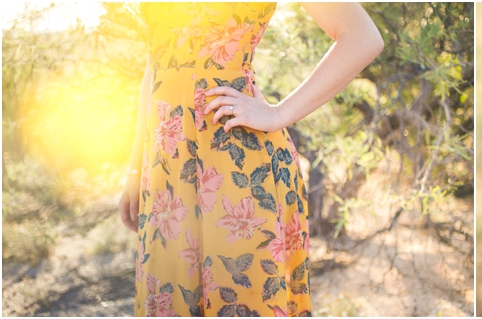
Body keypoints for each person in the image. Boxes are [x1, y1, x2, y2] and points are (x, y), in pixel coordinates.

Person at [117, 3, 383, 316]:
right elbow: (157, 64)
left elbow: (362, 37)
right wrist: (136, 168)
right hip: (167, 171)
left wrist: (279, 113)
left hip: (236, 166)